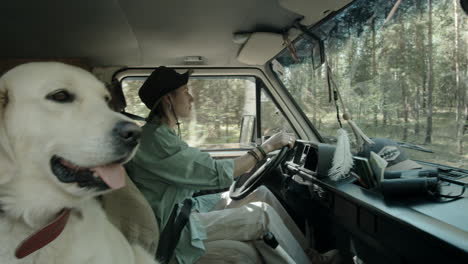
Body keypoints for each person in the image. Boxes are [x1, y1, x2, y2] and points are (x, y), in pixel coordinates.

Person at [125, 66, 340, 264]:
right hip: (173, 229)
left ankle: (310, 257)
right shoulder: (156, 140)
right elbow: (217, 172)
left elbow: (200, 168)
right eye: (185, 91)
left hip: (185, 208)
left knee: (262, 194)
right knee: (261, 214)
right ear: (168, 100)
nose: (191, 97)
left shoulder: (162, 135)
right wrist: (266, 147)